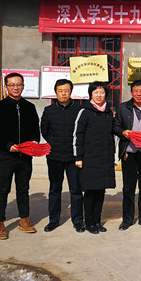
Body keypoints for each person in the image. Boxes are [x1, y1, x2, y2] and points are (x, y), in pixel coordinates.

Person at [0, 72, 40, 239]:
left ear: (23, 86)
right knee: (3, 189)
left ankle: (24, 219)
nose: (16, 87)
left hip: (25, 156)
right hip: (6, 156)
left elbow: (35, 128)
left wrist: (34, 141)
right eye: (12, 85)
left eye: (19, 84)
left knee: (23, 189)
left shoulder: (29, 107)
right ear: (6, 87)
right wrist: (7, 146)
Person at [40, 79, 84, 233]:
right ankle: (53, 220)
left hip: (73, 157)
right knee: (54, 189)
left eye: (66, 90)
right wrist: (54, 144)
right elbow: (44, 131)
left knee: (76, 190)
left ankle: (78, 221)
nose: (63, 93)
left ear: (71, 92)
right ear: (56, 92)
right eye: (60, 91)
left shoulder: (79, 109)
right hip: (54, 157)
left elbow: (82, 132)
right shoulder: (49, 110)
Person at [74, 82, 116, 234]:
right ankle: (89, 222)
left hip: (104, 158)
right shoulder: (85, 112)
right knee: (90, 192)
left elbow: (111, 135)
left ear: (106, 94)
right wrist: (78, 157)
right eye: (96, 92)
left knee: (100, 192)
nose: (99, 95)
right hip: (89, 159)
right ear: (90, 94)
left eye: (102, 92)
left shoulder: (108, 112)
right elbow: (78, 135)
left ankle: (97, 221)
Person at [113, 80, 141, 231]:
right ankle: (127, 219)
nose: (138, 94)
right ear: (131, 93)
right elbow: (115, 126)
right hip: (129, 153)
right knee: (128, 188)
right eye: (135, 91)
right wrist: (123, 132)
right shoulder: (123, 108)